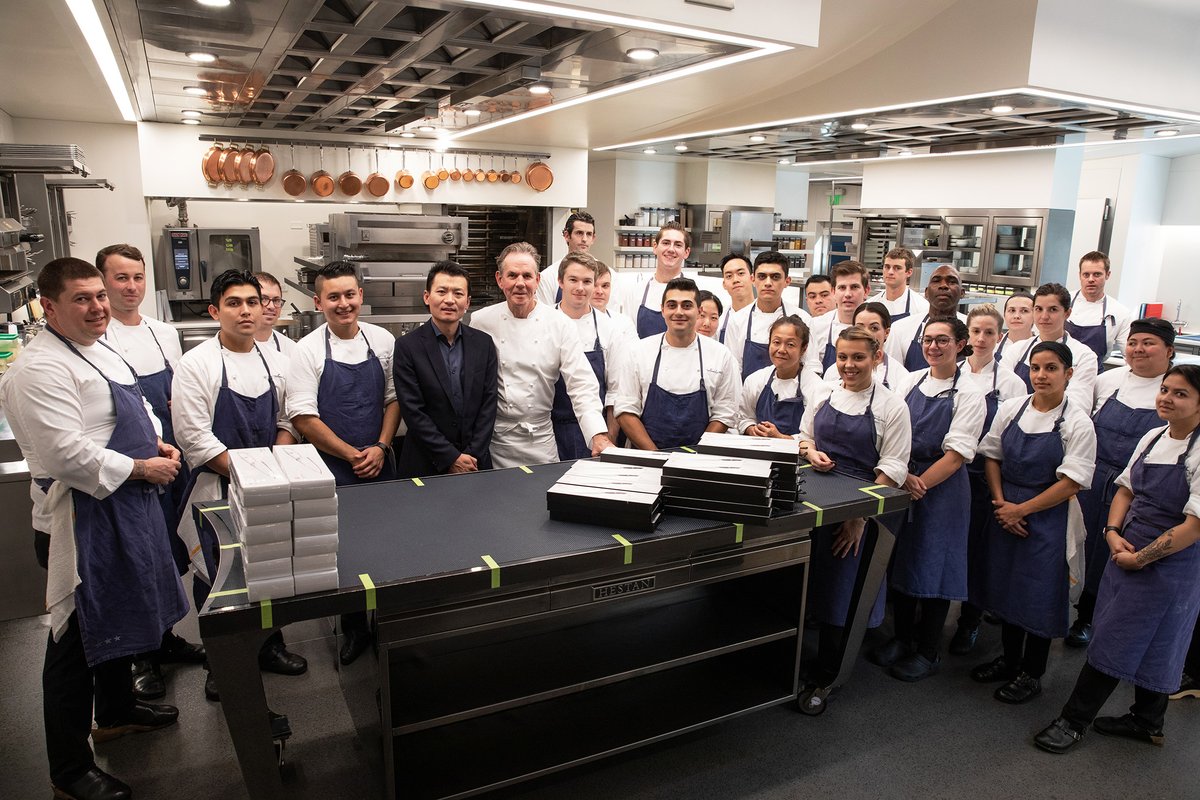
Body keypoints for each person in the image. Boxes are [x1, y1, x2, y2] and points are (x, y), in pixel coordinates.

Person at [0, 257, 187, 800]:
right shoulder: (38, 369)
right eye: (82, 299)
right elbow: (64, 453)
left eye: (99, 296)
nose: (98, 306)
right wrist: (140, 468)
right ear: (49, 306)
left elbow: (135, 408)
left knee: (122, 610)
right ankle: (68, 769)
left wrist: (155, 441)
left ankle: (117, 711)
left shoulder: (95, 347)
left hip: (123, 508)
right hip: (80, 522)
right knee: (75, 642)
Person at [1034, 365, 1200, 754]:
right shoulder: (1154, 436)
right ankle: (1148, 721)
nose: (1166, 398)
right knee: (1149, 637)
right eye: (1165, 390)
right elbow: (1125, 489)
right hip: (1126, 548)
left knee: (1118, 637)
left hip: (1170, 563)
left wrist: (1142, 558)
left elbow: (1193, 526)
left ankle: (1073, 721)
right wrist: (1112, 533)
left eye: (1180, 394)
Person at [172, 270, 306, 701]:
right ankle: (221, 662)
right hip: (218, 490)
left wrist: (276, 464)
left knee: (269, 567)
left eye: (252, 301)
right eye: (234, 303)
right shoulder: (197, 365)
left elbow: (287, 418)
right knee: (217, 577)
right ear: (215, 311)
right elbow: (195, 438)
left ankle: (269, 646)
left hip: (267, 484)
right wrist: (254, 475)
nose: (246, 310)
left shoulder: (277, 361)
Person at [96, 244, 204, 701]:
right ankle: (142, 655)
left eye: (137, 277)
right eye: (121, 278)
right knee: (139, 555)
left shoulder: (163, 332)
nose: (131, 287)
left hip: (170, 455)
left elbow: (176, 394)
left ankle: (166, 637)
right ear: (103, 283)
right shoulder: (98, 339)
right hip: (132, 467)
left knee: (171, 550)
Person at [286, 261, 400, 665]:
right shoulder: (306, 351)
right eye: (333, 296)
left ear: (361, 296)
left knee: (387, 543)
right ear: (318, 302)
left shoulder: (382, 340)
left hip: (379, 461)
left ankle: (388, 620)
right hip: (331, 469)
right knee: (342, 550)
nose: (343, 303)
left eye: (349, 294)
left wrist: (381, 447)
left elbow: (392, 398)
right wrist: (352, 454)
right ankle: (353, 627)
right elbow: (303, 417)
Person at [972, 342, 1097, 705]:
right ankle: (1010, 660)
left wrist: (1021, 510)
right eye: (1036, 368)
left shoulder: (1077, 422)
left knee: (1039, 594)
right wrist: (1001, 504)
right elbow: (992, 455)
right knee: (1006, 587)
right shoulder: (1012, 409)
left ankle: (1032, 672)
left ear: (1068, 374)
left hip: (1048, 517)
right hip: (1005, 507)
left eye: (1051, 368)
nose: (1041, 375)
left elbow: (1071, 482)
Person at [870, 318, 986, 681]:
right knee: (902, 560)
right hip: (904, 477)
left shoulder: (970, 392)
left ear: (961, 344)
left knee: (936, 567)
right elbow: (891, 427)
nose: (933, 347)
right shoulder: (911, 381)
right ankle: (903, 639)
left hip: (943, 489)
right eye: (928, 340)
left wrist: (918, 482)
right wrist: (902, 475)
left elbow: (957, 454)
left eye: (943, 340)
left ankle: (928, 650)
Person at [796, 326, 911, 689]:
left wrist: (858, 517)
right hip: (814, 498)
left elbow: (892, 468)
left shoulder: (892, 406)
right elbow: (804, 437)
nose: (848, 365)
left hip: (861, 508)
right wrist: (811, 452)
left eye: (858, 357)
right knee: (807, 579)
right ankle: (796, 657)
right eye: (842, 357)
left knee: (843, 589)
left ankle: (829, 673)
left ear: (876, 357)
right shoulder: (823, 393)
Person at [1068, 318, 1176, 648]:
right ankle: (1070, 606)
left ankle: (1092, 619)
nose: (1138, 349)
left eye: (1148, 343)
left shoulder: (1174, 390)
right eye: (1133, 342)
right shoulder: (1108, 380)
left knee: (1119, 550)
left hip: (1143, 489)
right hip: (1093, 477)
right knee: (1082, 544)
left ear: (1169, 351)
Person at [471, 242, 612, 467]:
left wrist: (598, 434)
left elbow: (581, 384)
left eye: (527, 276)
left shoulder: (559, 324)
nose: (520, 283)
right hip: (495, 440)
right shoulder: (481, 321)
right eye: (512, 275)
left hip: (540, 438)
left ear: (537, 280)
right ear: (500, 279)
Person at [951, 305, 1031, 655]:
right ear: (966, 336)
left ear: (999, 338)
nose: (981, 339)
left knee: (979, 552)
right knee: (951, 545)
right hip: (951, 472)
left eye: (988, 333)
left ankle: (970, 621)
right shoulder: (951, 373)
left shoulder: (1011, 383)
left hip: (985, 476)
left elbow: (1010, 438)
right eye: (975, 332)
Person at [393, 261, 499, 478]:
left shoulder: (483, 344)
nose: (449, 300)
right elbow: (413, 411)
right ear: (427, 297)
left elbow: (489, 405)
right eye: (441, 291)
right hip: (425, 463)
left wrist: (471, 456)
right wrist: (450, 458)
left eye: (458, 293)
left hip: (475, 463)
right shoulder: (407, 347)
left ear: (467, 302)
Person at [615, 277, 740, 449]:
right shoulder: (638, 352)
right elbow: (625, 410)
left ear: (698, 310)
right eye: (672, 305)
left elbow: (725, 413)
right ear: (662, 310)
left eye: (687, 306)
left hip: (700, 460)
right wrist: (655, 456)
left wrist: (695, 454)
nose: (679, 312)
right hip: (646, 457)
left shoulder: (721, 356)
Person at [553, 252, 626, 459]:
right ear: (560, 282)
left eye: (587, 281)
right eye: (573, 280)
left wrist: (607, 436)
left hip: (595, 429)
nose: (580, 287)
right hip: (549, 429)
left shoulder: (609, 328)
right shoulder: (546, 322)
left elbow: (615, 391)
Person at [1000, 282, 1099, 408]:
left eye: (1053, 309)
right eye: (1039, 309)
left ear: (1067, 313)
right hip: (1015, 419)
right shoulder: (1017, 350)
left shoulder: (1084, 356)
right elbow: (1001, 392)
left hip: (1056, 425)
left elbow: (1078, 405)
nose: (1044, 316)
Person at [723, 250, 810, 380]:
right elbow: (732, 370)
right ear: (753, 279)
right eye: (762, 276)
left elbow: (811, 365)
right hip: (747, 396)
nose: (768, 283)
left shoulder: (803, 318)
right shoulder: (737, 320)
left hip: (791, 395)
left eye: (775, 277)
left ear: (787, 281)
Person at [736, 315, 819, 438]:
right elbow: (744, 417)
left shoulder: (815, 387)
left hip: (798, 456)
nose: (781, 349)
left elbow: (813, 437)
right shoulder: (755, 380)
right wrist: (751, 429)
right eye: (776, 342)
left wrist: (780, 438)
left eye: (790, 344)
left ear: (804, 349)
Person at [618, 221, 693, 339]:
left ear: (686, 252)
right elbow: (627, 337)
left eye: (678, 245)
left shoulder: (694, 292)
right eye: (666, 243)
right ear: (655, 247)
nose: (671, 249)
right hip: (643, 356)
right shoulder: (636, 292)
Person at [885, 265, 966, 372]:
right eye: (936, 281)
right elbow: (890, 376)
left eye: (951, 281)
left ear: (962, 293)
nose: (943, 286)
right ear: (926, 293)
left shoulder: (975, 330)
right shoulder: (900, 329)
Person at [822, 301, 911, 394]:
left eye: (874, 328)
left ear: (886, 332)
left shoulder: (901, 377)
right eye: (860, 327)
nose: (866, 333)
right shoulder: (833, 372)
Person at [1064, 251, 1132, 364]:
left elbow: (1129, 355)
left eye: (1097, 274)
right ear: (1079, 275)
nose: (1091, 279)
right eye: (1086, 274)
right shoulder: (1062, 301)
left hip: (1095, 377)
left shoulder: (1120, 313)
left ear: (1107, 275)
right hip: (1057, 373)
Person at [805, 261, 870, 374]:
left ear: (866, 291)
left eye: (854, 287)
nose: (848, 294)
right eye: (842, 288)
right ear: (834, 292)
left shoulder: (875, 329)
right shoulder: (815, 326)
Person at [536, 211, 597, 305]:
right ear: (567, 236)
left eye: (588, 234)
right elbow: (545, 315)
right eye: (579, 233)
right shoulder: (549, 277)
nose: (584, 239)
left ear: (593, 238)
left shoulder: (605, 274)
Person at [868, 247, 930, 324]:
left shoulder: (922, 307)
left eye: (897, 268)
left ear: (909, 272)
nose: (890, 272)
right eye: (887, 267)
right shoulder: (870, 305)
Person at [252, 271, 297, 359]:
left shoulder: (291, 349)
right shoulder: (230, 349)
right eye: (264, 299)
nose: (271, 306)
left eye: (276, 300)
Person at [717, 253, 755, 342]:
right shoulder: (719, 319)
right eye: (729, 276)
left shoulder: (764, 316)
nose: (735, 280)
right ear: (724, 285)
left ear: (752, 278)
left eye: (741, 273)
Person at [995, 291, 1034, 363]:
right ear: (1004, 315)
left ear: (1035, 316)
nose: (1016, 316)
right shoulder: (993, 346)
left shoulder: (1041, 348)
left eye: (1024, 311)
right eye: (1012, 310)